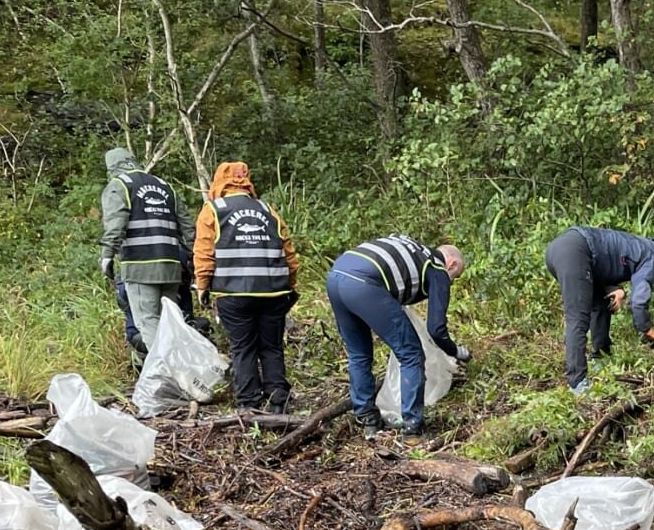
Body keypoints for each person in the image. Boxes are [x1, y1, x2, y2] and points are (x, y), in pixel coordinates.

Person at [325, 235, 468, 437]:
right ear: (452, 264)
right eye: (456, 276)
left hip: (337, 275)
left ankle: (368, 418)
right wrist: (456, 351)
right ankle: (412, 427)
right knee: (411, 354)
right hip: (364, 283)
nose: (451, 281)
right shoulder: (437, 268)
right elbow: (436, 329)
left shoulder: (414, 249)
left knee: (359, 353)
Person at [193, 161, 299, 413]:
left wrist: (202, 286)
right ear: (247, 181)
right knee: (271, 346)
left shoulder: (213, 210)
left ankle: (249, 403)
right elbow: (288, 252)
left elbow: (204, 252)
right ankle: (277, 399)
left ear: (219, 181)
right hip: (274, 291)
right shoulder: (268, 210)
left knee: (243, 347)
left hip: (233, 293)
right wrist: (291, 284)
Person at [545, 227, 654, 393]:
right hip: (575, 252)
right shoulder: (653, 257)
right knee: (578, 318)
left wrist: (616, 289)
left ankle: (600, 359)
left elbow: (604, 260)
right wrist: (646, 328)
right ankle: (577, 384)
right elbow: (638, 302)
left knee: (601, 303)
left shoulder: (643, 246)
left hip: (564, 249)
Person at [99, 148, 195, 355]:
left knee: (148, 321)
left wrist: (107, 255)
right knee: (170, 322)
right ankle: (184, 369)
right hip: (171, 267)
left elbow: (116, 224)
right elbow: (188, 227)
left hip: (140, 266)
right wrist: (191, 258)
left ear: (111, 167)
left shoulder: (119, 186)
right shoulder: (165, 186)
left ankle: (169, 376)